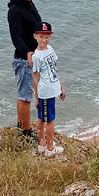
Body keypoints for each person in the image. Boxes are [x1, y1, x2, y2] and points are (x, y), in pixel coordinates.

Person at [7, 0, 42, 136]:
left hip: (33, 57)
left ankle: (21, 126)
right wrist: (27, 52)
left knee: (24, 95)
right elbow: (16, 36)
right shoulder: (14, 10)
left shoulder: (28, 4)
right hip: (24, 59)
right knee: (25, 97)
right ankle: (26, 133)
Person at [32, 21, 66, 157]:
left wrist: (60, 87)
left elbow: (54, 70)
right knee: (49, 120)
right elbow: (35, 78)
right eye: (41, 36)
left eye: (46, 37)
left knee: (42, 117)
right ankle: (49, 148)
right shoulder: (36, 57)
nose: (44, 40)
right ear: (35, 36)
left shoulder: (50, 49)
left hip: (53, 89)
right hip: (45, 92)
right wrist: (36, 97)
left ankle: (42, 144)